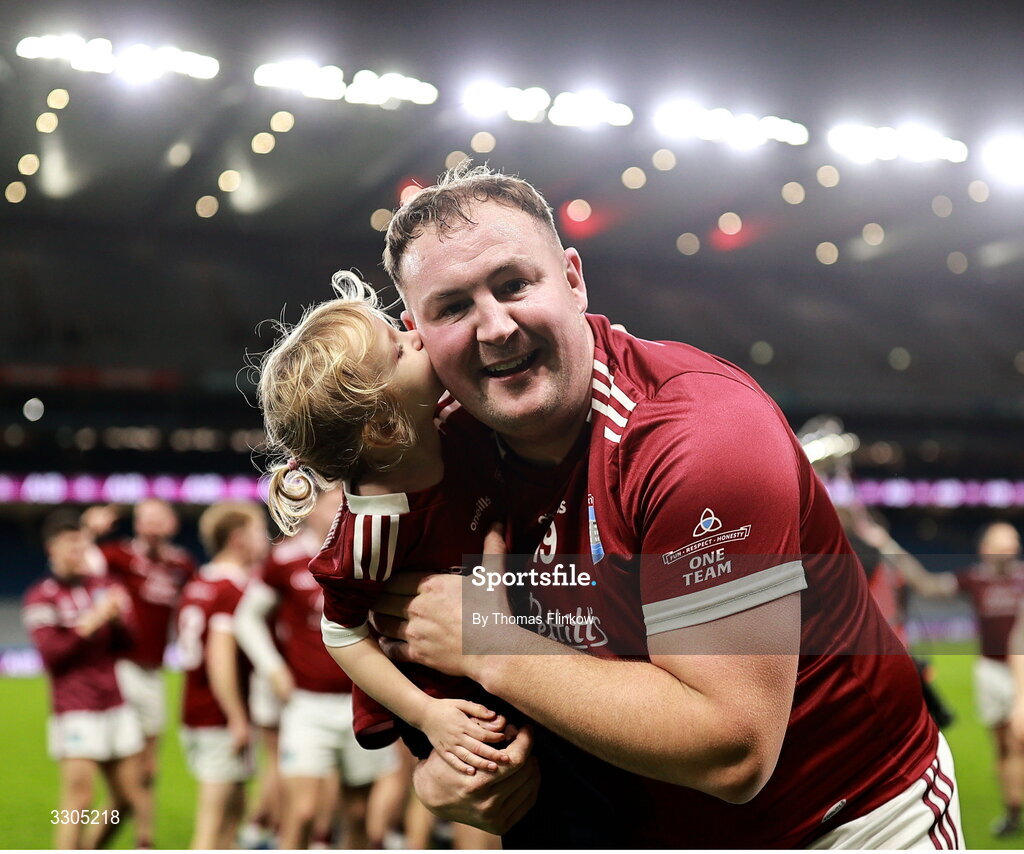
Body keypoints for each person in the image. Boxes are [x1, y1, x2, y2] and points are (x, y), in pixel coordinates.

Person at [364, 164, 963, 849]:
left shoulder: (698, 435)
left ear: (572, 277)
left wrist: (493, 646)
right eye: (452, 307)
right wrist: (439, 777)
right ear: (415, 331)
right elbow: (407, 677)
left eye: (513, 284)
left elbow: (733, 748)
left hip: (836, 820)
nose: (495, 327)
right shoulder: (423, 461)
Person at [256, 271, 507, 848]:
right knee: (495, 813)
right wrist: (425, 715)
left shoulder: (444, 420)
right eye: (398, 348)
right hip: (443, 687)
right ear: (382, 424)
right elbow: (340, 633)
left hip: (492, 636)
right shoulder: (376, 526)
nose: (416, 334)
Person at [235, 492, 399, 848]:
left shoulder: (366, 553)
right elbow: (246, 617)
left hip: (363, 699)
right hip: (306, 705)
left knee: (358, 813)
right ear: (309, 511)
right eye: (332, 504)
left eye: (345, 503)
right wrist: (272, 667)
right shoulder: (285, 559)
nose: (342, 510)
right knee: (303, 811)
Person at [22, 511, 149, 849]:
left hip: (113, 702)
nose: (78, 552)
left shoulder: (105, 587)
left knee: (126, 798)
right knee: (79, 801)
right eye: (70, 546)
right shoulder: (41, 596)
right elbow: (53, 655)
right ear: (52, 549)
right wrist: (92, 622)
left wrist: (120, 621)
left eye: (81, 544)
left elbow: (129, 644)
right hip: (75, 706)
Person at [82, 498, 196, 836]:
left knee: (147, 770)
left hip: (154, 672)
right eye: (147, 517)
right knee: (129, 771)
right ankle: (139, 839)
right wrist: (89, 531)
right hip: (121, 668)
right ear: (136, 523)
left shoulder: (181, 565)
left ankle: (129, 840)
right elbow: (78, 563)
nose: (154, 523)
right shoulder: (117, 556)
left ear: (173, 524)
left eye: (161, 517)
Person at [177, 501, 269, 849]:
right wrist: (236, 717)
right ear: (237, 539)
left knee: (232, 815)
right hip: (220, 716)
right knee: (214, 824)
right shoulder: (233, 590)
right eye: (259, 530)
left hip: (195, 708)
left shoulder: (198, 582)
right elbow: (220, 658)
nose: (266, 539)